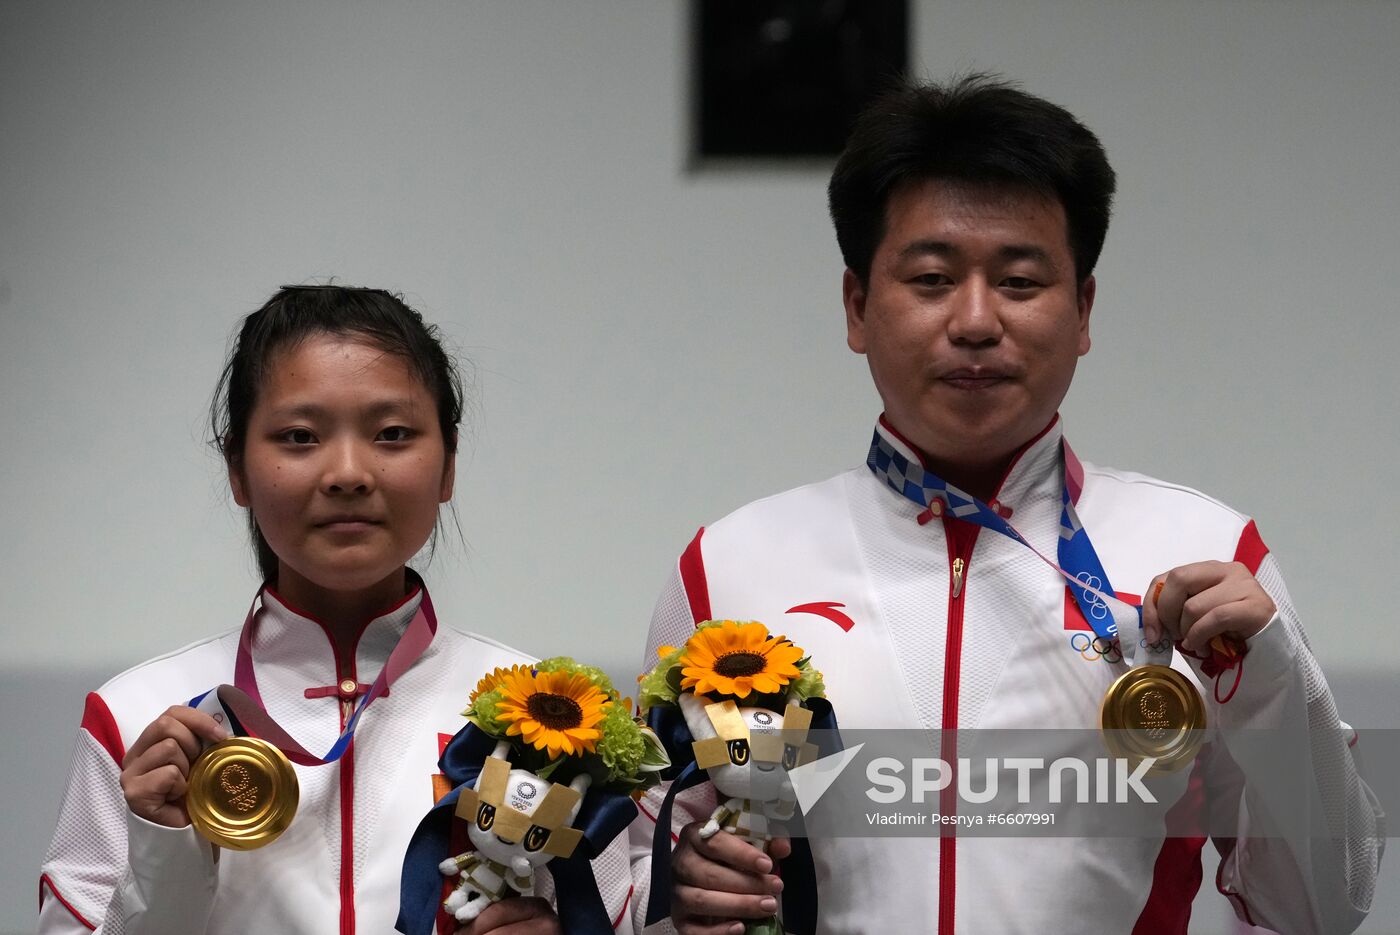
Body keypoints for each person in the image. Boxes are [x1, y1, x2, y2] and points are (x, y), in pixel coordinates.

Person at [630, 76, 1383, 934]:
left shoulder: (1209, 555)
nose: (977, 320)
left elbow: (1328, 903)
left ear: (1084, 310)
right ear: (857, 306)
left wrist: (1277, 680)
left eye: (1021, 281)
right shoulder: (729, 568)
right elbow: (635, 879)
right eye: (932, 278)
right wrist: (680, 889)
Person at [38, 286, 635, 934]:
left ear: (447, 465)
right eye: (299, 436)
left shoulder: (556, 715)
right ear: (237, 466)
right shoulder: (132, 719)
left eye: (392, 433)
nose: (348, 471)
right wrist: (161, 850)